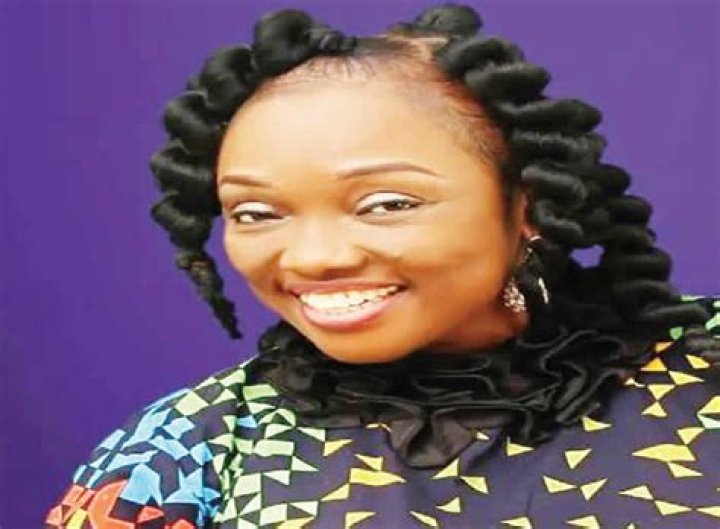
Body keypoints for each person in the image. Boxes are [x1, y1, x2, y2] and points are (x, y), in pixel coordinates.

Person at [45, 3, 720, 528]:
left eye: (387, 204)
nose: (315, 257)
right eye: (256, 212)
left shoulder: (705, 375)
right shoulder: (181, 452)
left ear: (528, 206)